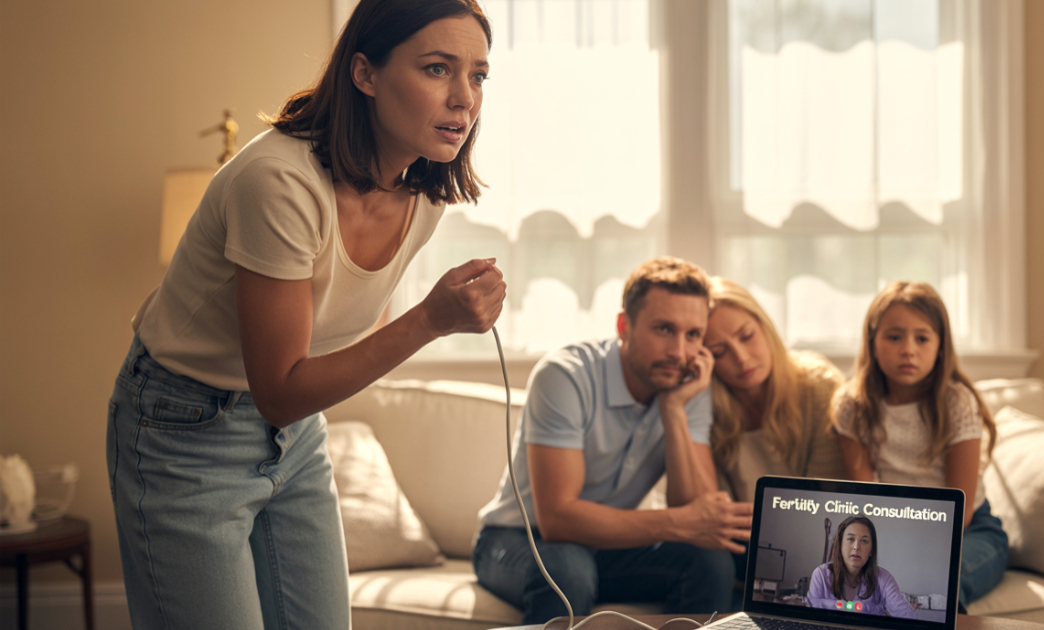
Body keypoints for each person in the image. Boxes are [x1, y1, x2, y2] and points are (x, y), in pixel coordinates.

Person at [106, 2, 504, 628]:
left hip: (295, 438)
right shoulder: (278, 181)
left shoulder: (425, 193)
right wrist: (431, 320)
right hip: (182, 430)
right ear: (365, 73)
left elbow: (338, 336)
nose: (464, 98)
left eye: (478, 76)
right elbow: (281, 389)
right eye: (437, 69)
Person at [473, 257, 754, 624]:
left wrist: (673, 411)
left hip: (603, 548)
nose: (680, 352)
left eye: (693, 335)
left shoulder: (687, 386)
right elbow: (558, 519)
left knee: (710, 561)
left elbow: (696, 513)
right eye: (664, 329)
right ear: (624, 326)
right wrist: (679, 522)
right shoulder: (565, 376)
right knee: (568, 568)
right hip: (515, 539)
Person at [832, 281, 1008, 608]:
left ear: (940, 346)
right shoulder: (852, 405)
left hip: (970, 531)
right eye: (894, 337)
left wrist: (917, 552)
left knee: (938, 590)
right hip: (894, 529)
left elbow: (963, 508)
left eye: (922, 338)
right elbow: (865, 495)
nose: (909, 349)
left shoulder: (956, 403)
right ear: (872, 342)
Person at [702, 277, 846, 504]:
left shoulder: (819, 388)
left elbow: (827, 499)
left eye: (747, 336)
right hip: (740, 537)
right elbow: (717, 513)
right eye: (719, 351)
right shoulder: (704, 407)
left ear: (765, 326)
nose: (742, 358)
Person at [807, 516, 917, 618]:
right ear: (840, 544)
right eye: (850, 539)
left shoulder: (883, 577)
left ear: (871, 550)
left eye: (864, 541)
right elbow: (811, 612)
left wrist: (827, 605)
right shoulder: (821, 574)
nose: (856, 547)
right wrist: (877, 609)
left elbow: (909, 617)